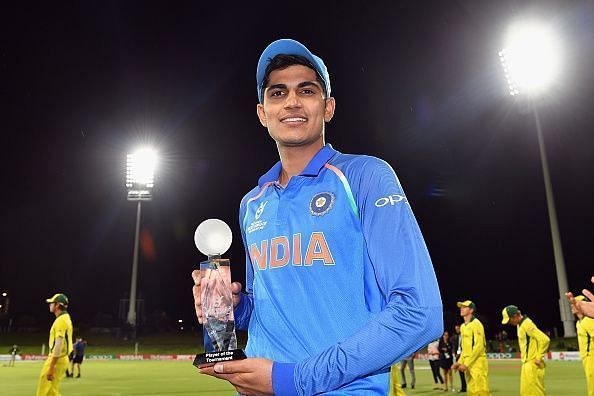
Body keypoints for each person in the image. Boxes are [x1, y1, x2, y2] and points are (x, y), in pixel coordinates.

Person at [192, 38, 443, 395]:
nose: (291, 101)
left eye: (306, 90)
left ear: (328, 107)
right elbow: (269, 308)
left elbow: (420, 313)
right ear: (262, 113)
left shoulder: (365, 176)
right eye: (277, 93)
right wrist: (235, 307)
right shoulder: (252, 202)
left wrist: (291, 380)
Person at [501, 305, 550, 396]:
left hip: (533, 364)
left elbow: (545, 340)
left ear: (515, 316)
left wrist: (539, 357)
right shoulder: (520, 324)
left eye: (509, 320)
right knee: (526, 393)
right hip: (527, 363)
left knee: (536, 393)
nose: (509, 323)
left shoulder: (527, 324)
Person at [36, 293, 73, 396]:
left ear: (57, 305)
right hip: (62, 358)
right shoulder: (65, 318)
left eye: (51, 303)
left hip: (57, 359)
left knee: (43, 390)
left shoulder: (61, 321)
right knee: (51, 391)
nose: (49, 305)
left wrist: (52, 366)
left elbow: (59, 344)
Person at [452, 300, 490, 396]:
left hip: (478, 362)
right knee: (471, 391)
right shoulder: (463, 327)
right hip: (468, 363)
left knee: (481, 391)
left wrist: (466, 364)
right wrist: (459, 362)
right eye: (461, 307)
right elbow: (465, 349)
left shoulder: (476, 324)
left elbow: (479, 347)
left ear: (471, 310)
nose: (461, 309)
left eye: (464, 307)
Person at [571, 296, 594, 395]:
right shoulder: (578, 323)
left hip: (591, 358)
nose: (572, 306)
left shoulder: (588, 320)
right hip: (586, 359)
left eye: (574, 303)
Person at [452, 324, 467, 392]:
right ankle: (463, 387)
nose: (457, 330)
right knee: (461, 373)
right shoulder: (456, 337)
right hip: (458, 356)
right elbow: (455, 347)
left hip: (464, 356)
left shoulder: (465, 336)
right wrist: (455, 354)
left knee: (467, 372)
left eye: (458, 329)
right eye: (456, 329)